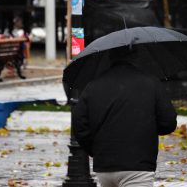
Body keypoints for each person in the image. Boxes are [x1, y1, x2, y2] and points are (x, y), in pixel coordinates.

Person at [72, 47, 177, 187]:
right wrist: (147, 127)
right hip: (138, 166)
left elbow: (79, 122)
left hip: (104, 166)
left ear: (110, 58)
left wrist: (94, 149)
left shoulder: (93, 85)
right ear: (136, 57)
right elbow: (168, 122)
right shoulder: (151, 83)